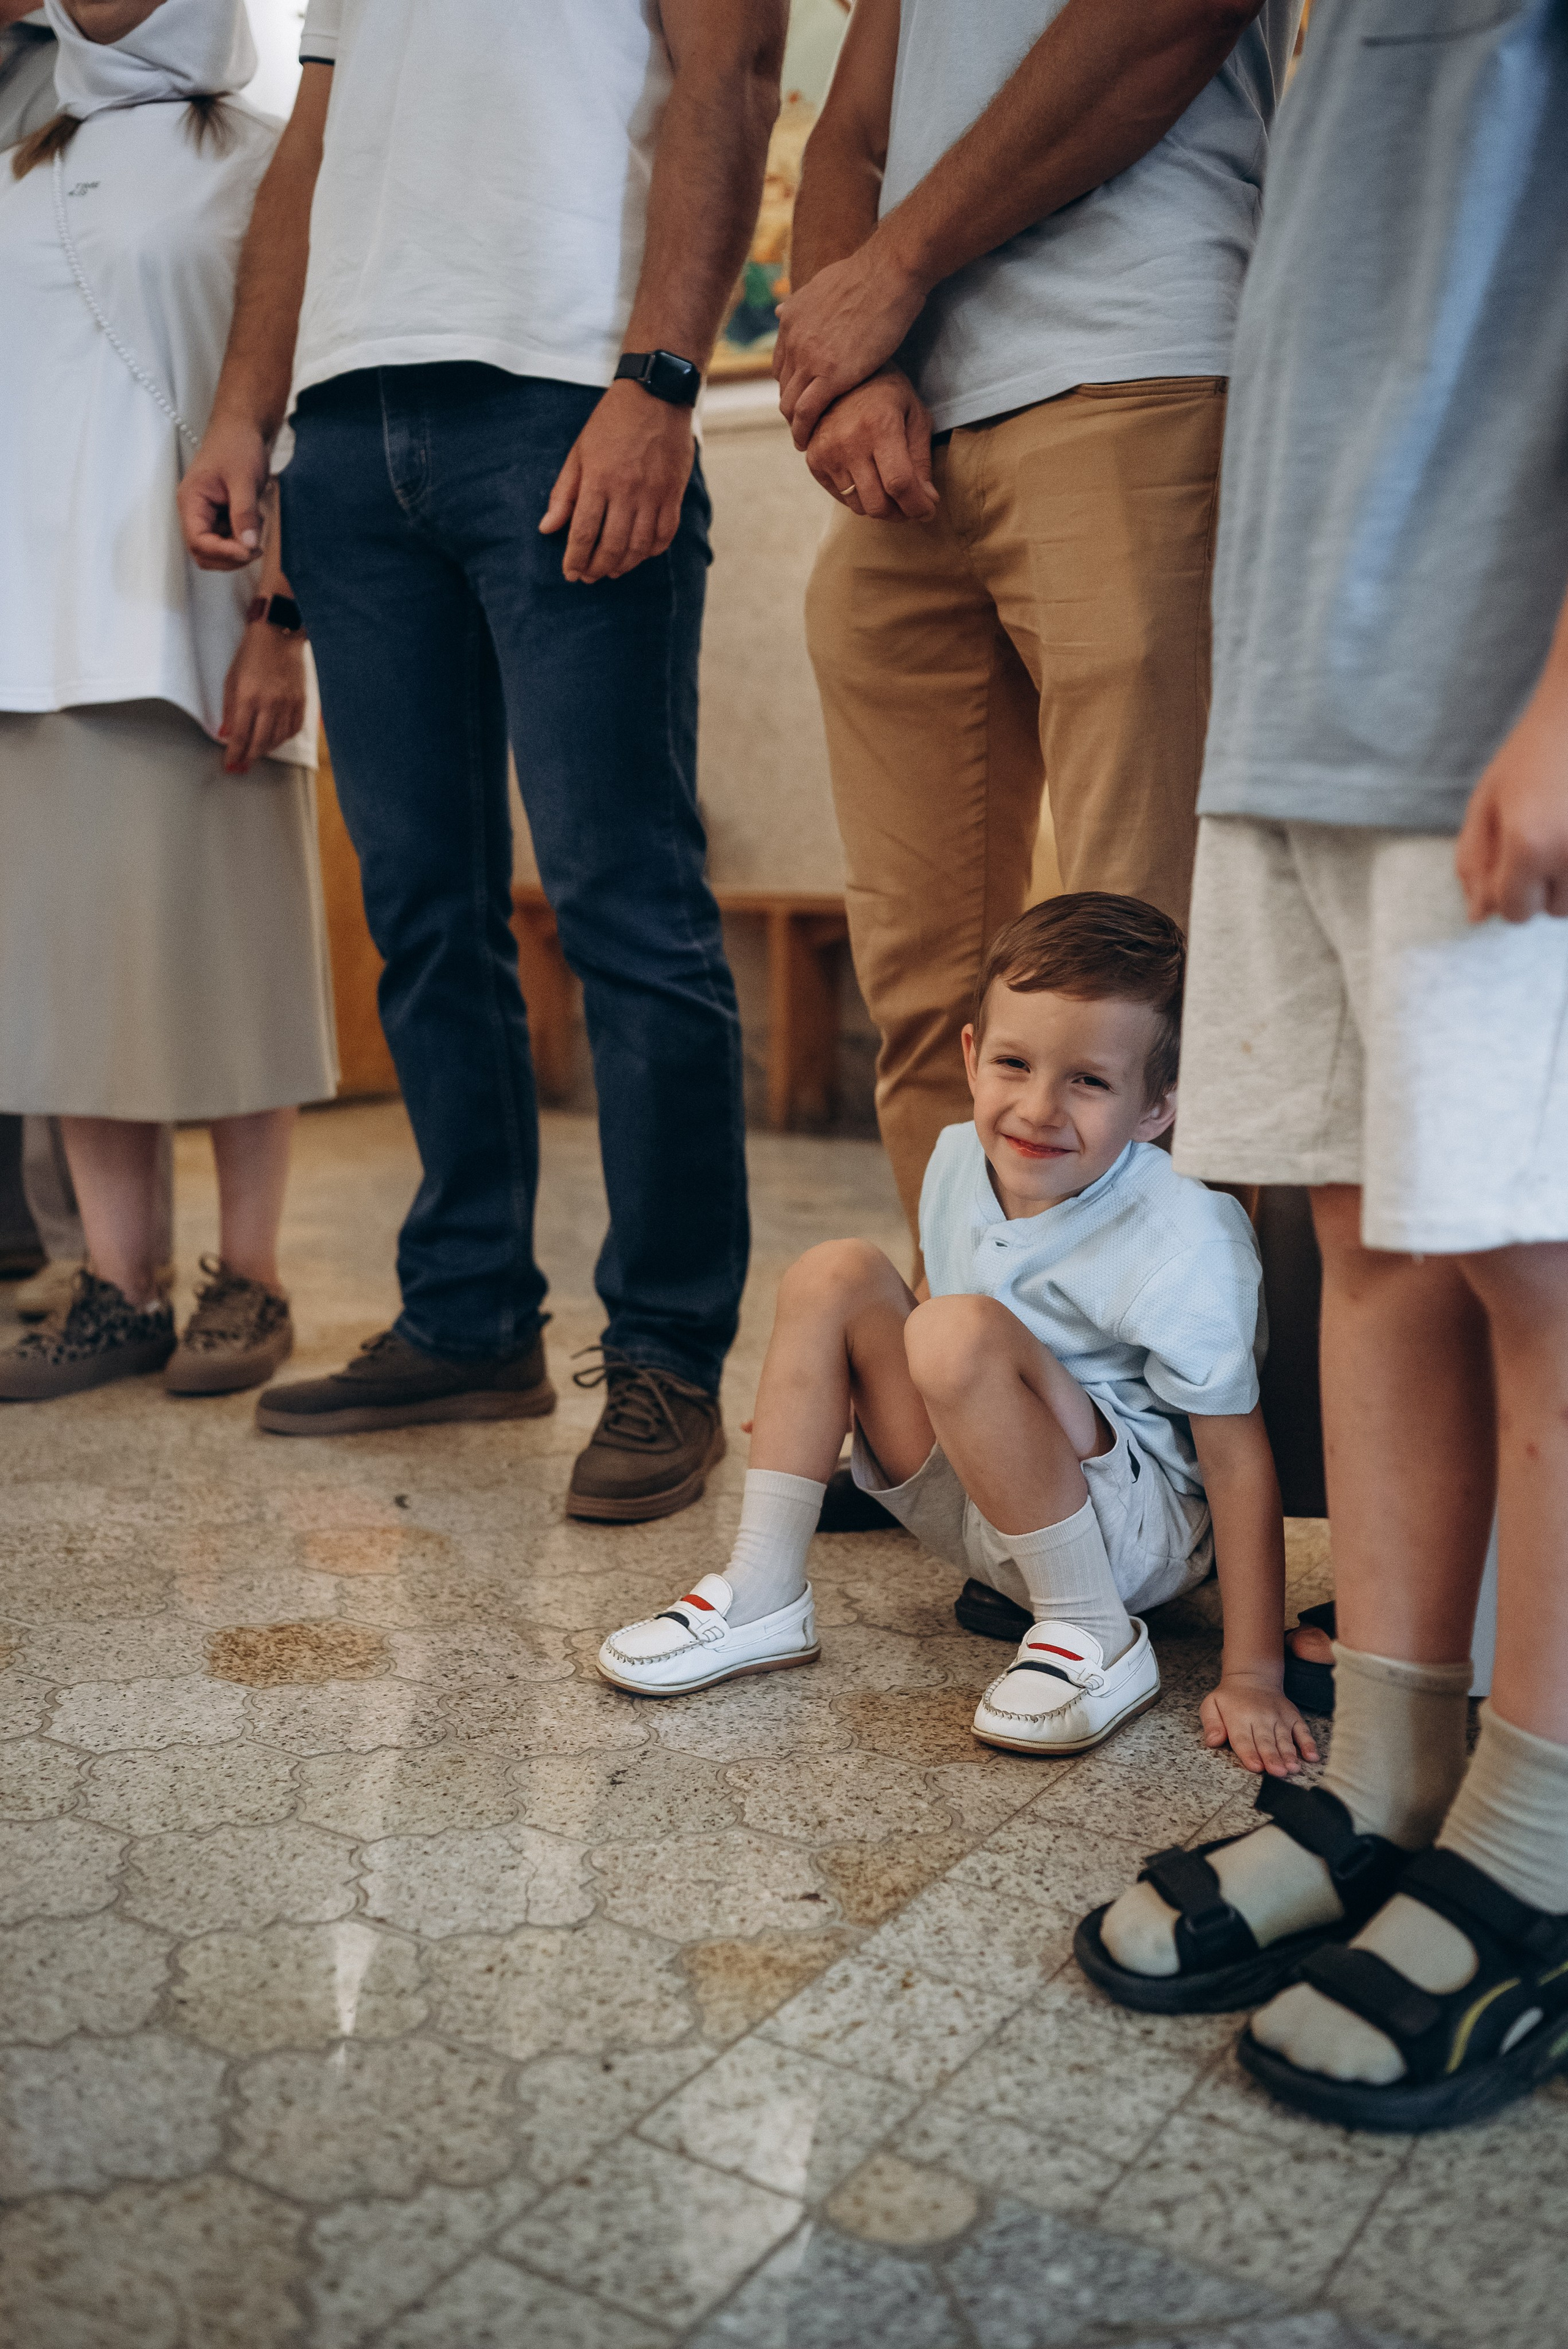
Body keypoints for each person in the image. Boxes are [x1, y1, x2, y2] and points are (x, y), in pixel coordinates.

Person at [1075, 0, 1568, 2135]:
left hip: (1487, 662)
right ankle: (1386, 1769)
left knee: (1540, 1267)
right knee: (1362, 1240)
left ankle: (1539, 1847)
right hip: (1306, 665)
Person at [176, 2, 785, 1523]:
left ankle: (665, 1353)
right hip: (348, 429)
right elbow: (307, 162)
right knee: (424, 911)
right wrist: (247, 411)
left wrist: (657, 382)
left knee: (623, 902)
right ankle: (466, 1318)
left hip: (560, 392)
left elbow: (735, 65)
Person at [772, 0, 1303, 1246]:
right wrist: (848, 369)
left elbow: (1169, 20)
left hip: (1135, 362)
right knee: (929, 998)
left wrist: (893, 271)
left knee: (1155, 979)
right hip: (907, 435)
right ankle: (979, 1398)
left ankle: (1176, 1418)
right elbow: (849, 134)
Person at [600, 894, 1314, 1774]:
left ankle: (1094, 1634)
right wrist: (828, 1390)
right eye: (1015, 1063)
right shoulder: (954, 1159)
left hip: (1136, 1541)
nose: (1039, 1108)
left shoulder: (1186, 1236)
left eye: (1089, 1081)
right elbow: (935, 1301)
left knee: (954, 1332)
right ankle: (763, 1593)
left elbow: (1237, 1463)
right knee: (837, 1273)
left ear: (1158, 1105)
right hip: (986, 1508)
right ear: (972, 1058)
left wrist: (1251, 1674)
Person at [0, 0, 337, 1405]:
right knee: (67, 984)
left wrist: (281, 617)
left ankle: (247, 1278)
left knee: (232, 970)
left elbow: (307, 398)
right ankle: (117, 1288)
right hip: (33, 636)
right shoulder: (18, 153)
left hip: (203, 627)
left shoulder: (273, 157)